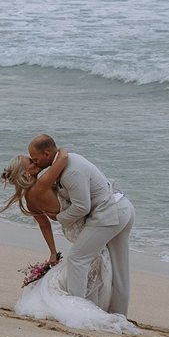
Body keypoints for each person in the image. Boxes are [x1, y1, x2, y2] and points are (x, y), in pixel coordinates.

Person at [0, 148, 136, 335]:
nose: (35, 162)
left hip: (82, 230)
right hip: (87, 227)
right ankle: (80, 309)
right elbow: (62, 157)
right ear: (26, 173)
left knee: (88, 264)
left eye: (33, 159)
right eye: (31, 162)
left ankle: (95, 308)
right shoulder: (42, 185)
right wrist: (55, 151)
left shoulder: (30, 199)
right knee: (89, 263)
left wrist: (53, 252)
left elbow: (44, 225)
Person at [28, 134, 135, 319]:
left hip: (109, 214)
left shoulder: (70, 172)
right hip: (123, 207)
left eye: (35, 159)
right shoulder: (66, 162)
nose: (35, 163)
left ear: (46, 154)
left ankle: (76, 311)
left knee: (77, 259)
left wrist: (60, 218)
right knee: (120, 269)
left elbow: (82, 206)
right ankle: (119, 314)